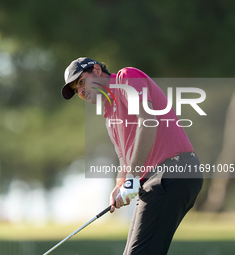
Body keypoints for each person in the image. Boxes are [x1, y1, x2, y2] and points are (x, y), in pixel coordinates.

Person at [61, 57, 203, 255]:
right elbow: (125, 157)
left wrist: (132, 178)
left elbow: (148, 121)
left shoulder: (126, 77)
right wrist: (120, 184)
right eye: (77, 90)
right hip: (155, 181)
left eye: (82, 82)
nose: (81, 91)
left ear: (96, 70)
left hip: (173, 173)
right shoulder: (109, 114)